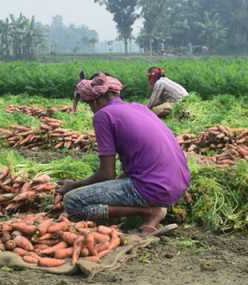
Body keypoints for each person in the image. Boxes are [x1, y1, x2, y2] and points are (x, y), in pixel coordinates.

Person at [58, 73, 191, 235]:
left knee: (72, 202)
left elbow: (106, 174)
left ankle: (149, 212)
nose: (91, 110)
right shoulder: (140, 108)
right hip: (178, 184)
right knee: (114, 186)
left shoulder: (103, 115)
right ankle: (148, 212)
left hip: (153, 188)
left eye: (89, 105)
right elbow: (127, 169)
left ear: (96, 100)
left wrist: (74, 185)